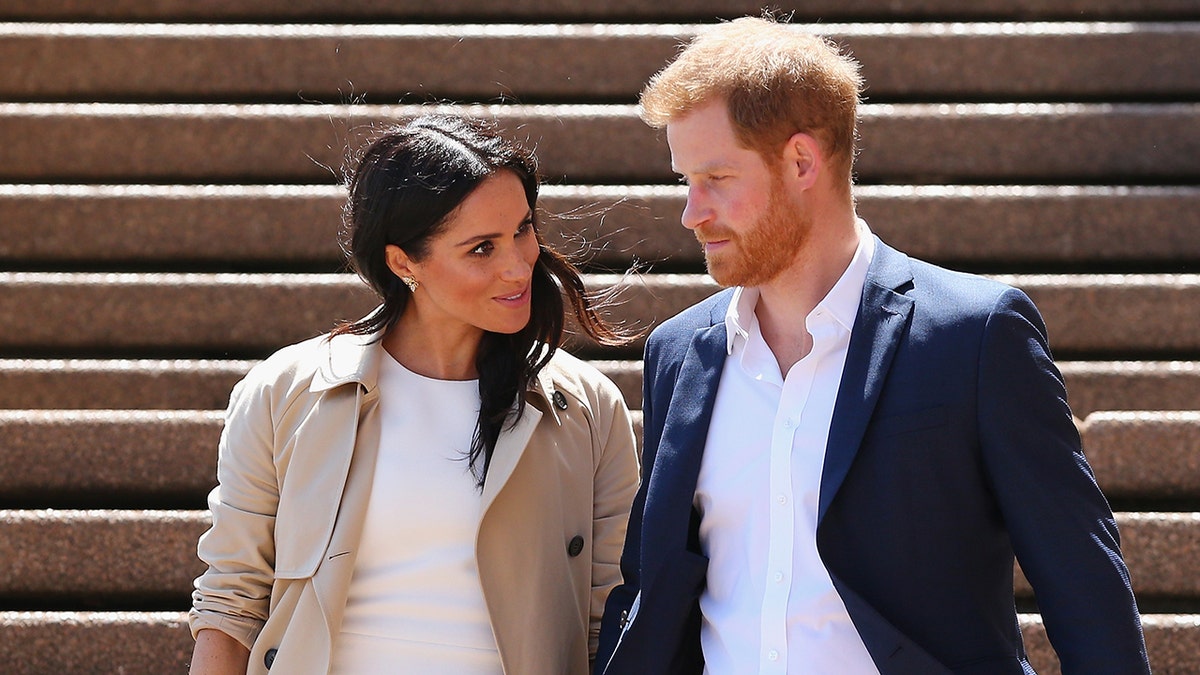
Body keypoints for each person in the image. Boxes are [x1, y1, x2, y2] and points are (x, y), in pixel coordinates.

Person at [596, 16, 1150, 675]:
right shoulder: (678, 351)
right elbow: (648, 589)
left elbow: (1083, 580)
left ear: (802, 161)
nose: (691, 212)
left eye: (716, 178)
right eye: (684, 181)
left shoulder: (974, 335)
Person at [188, 114, 640, 675]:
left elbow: (615, 618)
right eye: (481, 248)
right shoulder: (289, 391)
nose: (519, 265)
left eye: (522, 229)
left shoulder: (586, 407)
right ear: (403, 262)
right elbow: (231, 600)